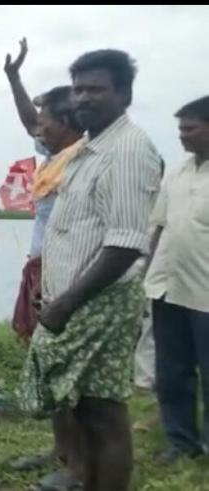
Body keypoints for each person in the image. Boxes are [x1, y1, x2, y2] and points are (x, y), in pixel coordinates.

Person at [20, 49, 162, 491]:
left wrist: (66, 301)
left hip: (102, 299)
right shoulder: (88, 149)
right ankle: (80, 476)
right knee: (80, 404)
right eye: (79, 89)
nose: (84, 98)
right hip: (77, 295)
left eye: (96, 89)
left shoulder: (127, 150)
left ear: (123, 93)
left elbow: (124, 244)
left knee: (103, 413)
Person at [1, 38, 87, 490]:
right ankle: (59, 449)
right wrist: (14, 78)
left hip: (69, 272)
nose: (39, 128)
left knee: (68, 370)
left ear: (69, 123)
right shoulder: (55, 160)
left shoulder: (84, 161)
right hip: (42, 267)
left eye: (48, 121)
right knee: (49, 364)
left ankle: (78, 464)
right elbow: (29, 119)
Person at [144, 95, 209, 464]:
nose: (182, 136)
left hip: (206, 293)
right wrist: (147, 275)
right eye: (180, 128)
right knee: (172, 371)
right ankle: (181, 441)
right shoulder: (178, 173)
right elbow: (159, 228)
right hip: (167, 287)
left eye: (190, 128)